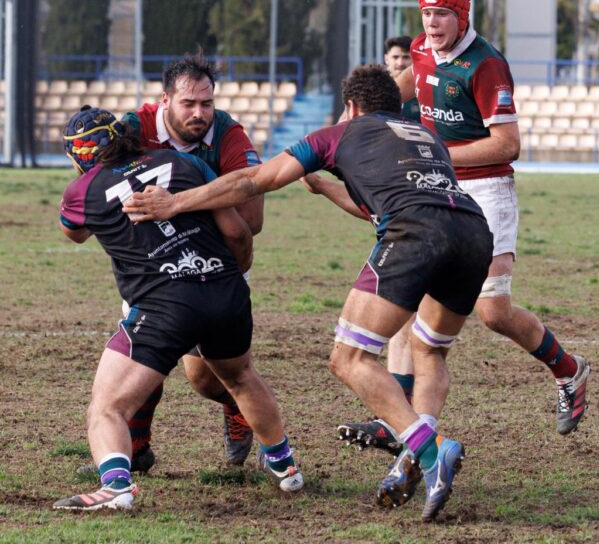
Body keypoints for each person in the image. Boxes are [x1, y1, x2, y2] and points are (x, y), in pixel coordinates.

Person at [123, 64, 494, 522]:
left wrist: (175, 201)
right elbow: (378, 204)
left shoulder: (333, 136)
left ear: (352, 108)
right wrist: (325, 188)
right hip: (474, 233)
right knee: (430, 349)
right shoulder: (423, 136)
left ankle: (432, 450)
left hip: (417, 234)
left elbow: (251, 182)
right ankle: (415, 452)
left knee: (349, 359)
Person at [339, 0, 590, 454]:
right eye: (426, 13)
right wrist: (353, 124)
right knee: (411, 306)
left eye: (442, 15)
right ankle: (399, 420)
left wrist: (437, 153)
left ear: (462, 16)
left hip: (488, 189)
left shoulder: (487, 65)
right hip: (439, 190)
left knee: (493, 312)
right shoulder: (421, 49)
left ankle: (569, 369)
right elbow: (400, 90)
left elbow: (508, 144)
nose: (432, 24)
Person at [53, 106, 303, 511]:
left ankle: (116, 485)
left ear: (78, 155)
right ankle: (286, 467)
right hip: (225, 287)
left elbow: (74, 232)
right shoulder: (182, 160)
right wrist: (227, 276)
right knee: (240, 377)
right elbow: (237, 230)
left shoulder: (80, 191)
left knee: (109, 405)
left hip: (166, 302)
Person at [78, 52, 263, 476]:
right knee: (141, 361)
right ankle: (135, 449)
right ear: (164, 101)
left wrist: (180, 204)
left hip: (219, 260)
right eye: (189, 104)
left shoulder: (229, 134)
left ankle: (235, 406)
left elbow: (250, 222)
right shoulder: (132, 127)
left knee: (204, 377)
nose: (200, 114)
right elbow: (93, 178)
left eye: (207, 103)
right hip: (152, 263)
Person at [384, 36, 420, 123]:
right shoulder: (376, 88)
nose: (400, 63)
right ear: (386, 59)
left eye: (406, 57)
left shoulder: (422, 90)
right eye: (395, 57)